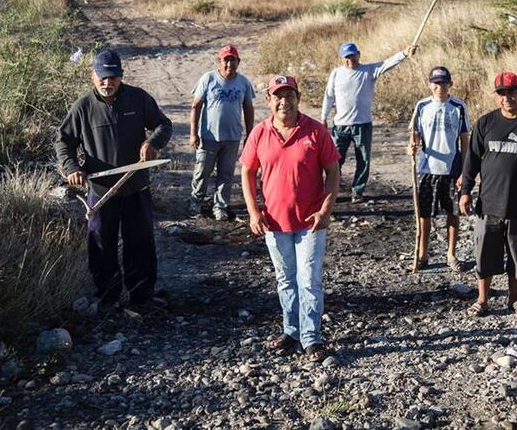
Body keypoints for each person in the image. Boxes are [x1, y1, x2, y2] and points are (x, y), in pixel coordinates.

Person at [55, 49, 173, 309]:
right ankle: (108, 297)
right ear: (92, 76)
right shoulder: (83, 107)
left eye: (113, 77)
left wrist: (153, 142)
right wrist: (72, 166)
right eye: (102, 77)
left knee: (140, 242)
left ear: (121, 76)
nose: (108, 83)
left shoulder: (138, 99)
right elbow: (63, 141)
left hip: (136, 187)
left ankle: (141, 297)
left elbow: (164, 125)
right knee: (100, 243)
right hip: (100, 191)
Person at [241, 75, 341, 361]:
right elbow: (247, 172)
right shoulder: (260, 133)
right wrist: (253, 210)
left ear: (298, 98)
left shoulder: (316, 131)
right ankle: (291, 331)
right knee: (285, 279)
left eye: (290, 95)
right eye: (278, 96)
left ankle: (312, 338)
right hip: (274, 221)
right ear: (269, 101)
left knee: (309, 279)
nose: (284, 101)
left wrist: (325, 209)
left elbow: (333, 171)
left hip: (310, 222)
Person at [458, 71, 517, 317]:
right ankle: (482, 300)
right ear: (496, 96)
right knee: (484, 253)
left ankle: (514, 299)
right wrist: (466, 191)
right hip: (489, 202)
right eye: (501, 93)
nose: (507, 97)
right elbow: (472, 161)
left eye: (512, 92)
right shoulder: (486, 123)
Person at [321, 41, 416, 202]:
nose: (350, 59)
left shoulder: (369, 71)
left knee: (363, 160)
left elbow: (387, 64)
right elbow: (329, 96)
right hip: (341, 125)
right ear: (342, 58)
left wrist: (404, 54)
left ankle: (357, 192)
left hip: (363, 124)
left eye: (353, 55)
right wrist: (323, 117)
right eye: (346, 57)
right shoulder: (336, 73)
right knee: (335, 160)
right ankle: (331, 191)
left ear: (359, 54)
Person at [407, 66, 470, 273]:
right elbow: (415, 133)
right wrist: (412, 145)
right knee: (425, 214)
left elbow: (464, 140)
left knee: (453, 213)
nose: (439, 86)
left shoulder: (458, 107)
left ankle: (451, 254)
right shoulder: (422, 106)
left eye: (443, 82)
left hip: (451, 168)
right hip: (427, 168)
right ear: (429, 84)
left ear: (450, 84)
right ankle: (422, 254)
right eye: (436, 82)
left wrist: (464, 170)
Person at [189, 44, 256, 220]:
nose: (229, 64)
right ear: (219, 62)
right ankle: (195, 203)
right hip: (209, 137)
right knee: (202, 172)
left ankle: (220, 206)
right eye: (225, 60)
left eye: (232, 60)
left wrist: (250, 134)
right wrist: (193, 133)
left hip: (232, 138)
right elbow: (195, 106)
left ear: (238, 62)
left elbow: (248, 108)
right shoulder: (208, 79)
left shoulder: (243, 83)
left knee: (226, 174)